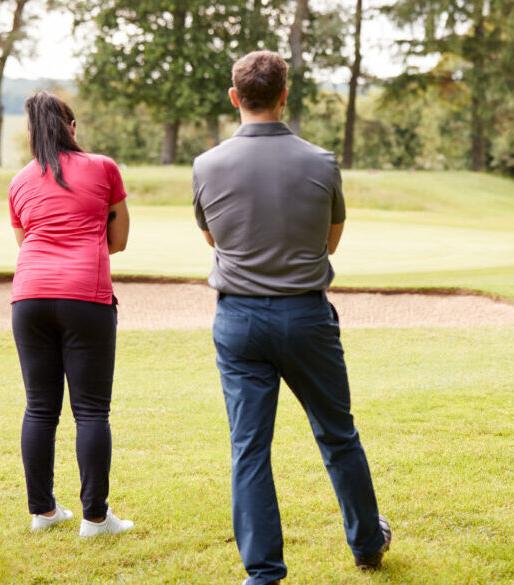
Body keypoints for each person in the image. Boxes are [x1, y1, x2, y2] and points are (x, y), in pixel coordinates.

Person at [192, 50, 391, 585]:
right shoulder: (321, 161)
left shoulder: (205, 165)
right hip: (306, 316)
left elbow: (213, 239)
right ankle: (368, 543)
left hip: (237, 322)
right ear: (285, 96)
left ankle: (263, 572)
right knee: (337, 434)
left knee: (249, 446)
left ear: (235, 98)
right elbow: (331, 241)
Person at [8, 91, 133, 536]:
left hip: (29, 297)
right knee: (92, 412)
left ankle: (42, 513)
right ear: (72, 128)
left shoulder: (19, 181)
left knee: (40, 409)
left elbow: (26, 242)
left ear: (31, 133)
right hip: (87, 297)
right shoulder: (103, 168)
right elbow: (117, 241)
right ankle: (95, 519)